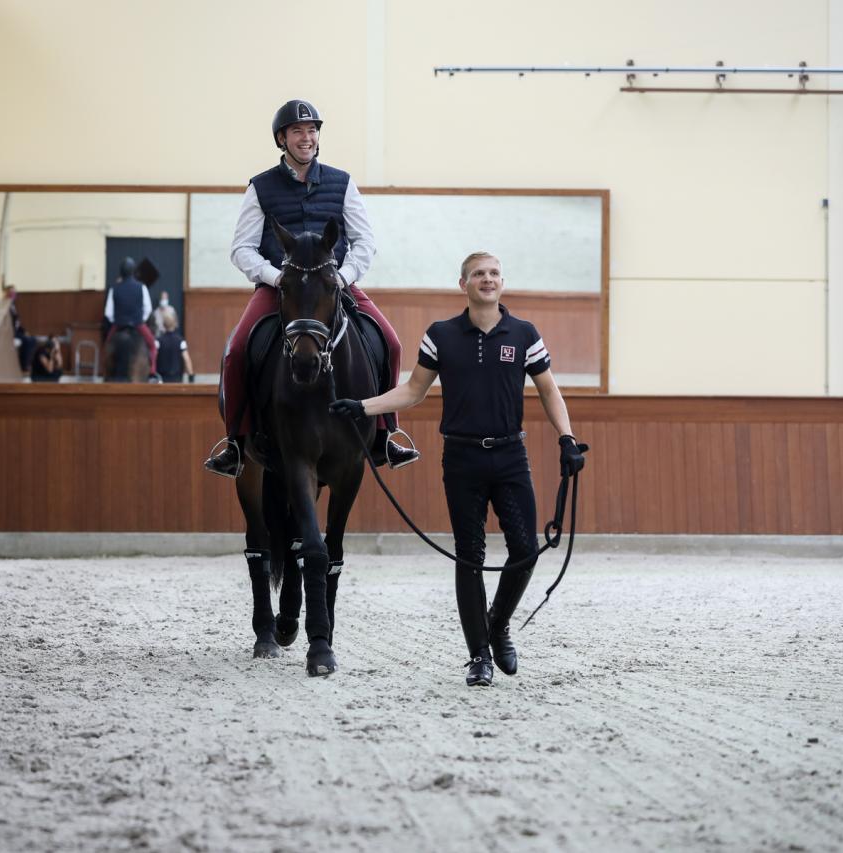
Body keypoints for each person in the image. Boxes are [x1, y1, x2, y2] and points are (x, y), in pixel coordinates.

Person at [329, 252, 588, 687]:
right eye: (478, 274)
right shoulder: (441, 335)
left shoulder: (524, 334)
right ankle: (478, 656)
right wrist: (362, 406)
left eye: (493, 273)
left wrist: (566, 437)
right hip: (462, 459)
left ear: (502, 282)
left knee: (524, 552)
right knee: (470, 557)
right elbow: (413, 391)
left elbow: (549, 391)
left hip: (510, 457)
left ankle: (498, 623)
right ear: (463, 284)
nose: (487, 279)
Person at [203, 98, 419, 478]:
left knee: (392, 341)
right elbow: (241, 249)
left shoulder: (343, 182)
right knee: (236, 352)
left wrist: (342, 276)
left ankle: (386, 432)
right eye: (298, 131)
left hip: (333, 285)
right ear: (281, 139)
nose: (307, 137)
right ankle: (235, 442)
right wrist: (276, 278)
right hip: (280, 288)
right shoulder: (260, 187)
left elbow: (365, 242)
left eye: (312, 130)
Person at [103, 257, 158, 378]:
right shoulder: (141, 287)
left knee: (106, 346)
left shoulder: (114, 288)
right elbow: (148, 309)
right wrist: (139, 320)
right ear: (133, 271)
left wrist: (118, 320)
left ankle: (104, 372)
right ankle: (153, 372)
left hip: (119, 324)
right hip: (138, 324)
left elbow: (108, 313)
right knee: (153, 345)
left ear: (121, 272)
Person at [154, 306, 195, 384]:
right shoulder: (180, 341)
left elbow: (154, 357)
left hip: (162, 379)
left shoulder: (158, 341)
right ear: (175, 324)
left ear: (163, 325)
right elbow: (186, 359)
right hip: (177, 379)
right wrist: (191, 376)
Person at [5, 284, 38, 372]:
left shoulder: (13, 306)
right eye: (11, 292)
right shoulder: (6, 307)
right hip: (11, 333)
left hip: (18, 331)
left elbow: (17, 324)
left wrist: (24, 331)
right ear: (6, 293)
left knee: (33, 340)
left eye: (14, 292)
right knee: (27, 341)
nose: (13, 294)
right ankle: (24, 366)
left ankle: (27, 363)